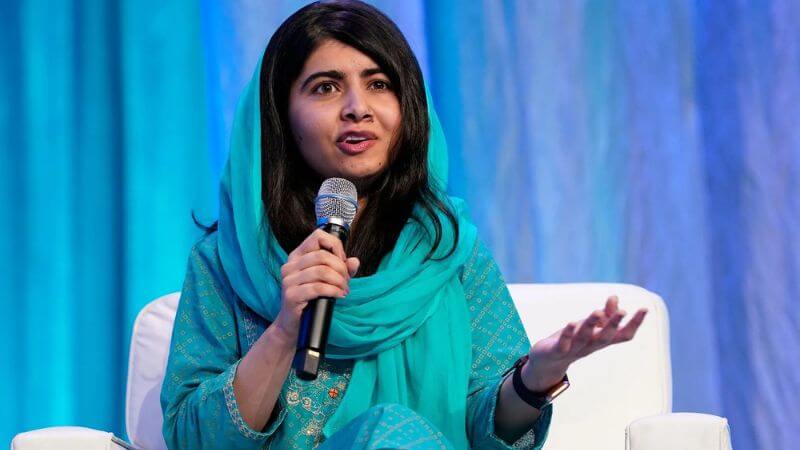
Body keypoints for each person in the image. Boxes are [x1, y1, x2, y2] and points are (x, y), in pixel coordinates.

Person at [160, 1, 648, 449]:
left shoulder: (447, 250)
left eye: (379, 84)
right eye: (326, 87)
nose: (357, 108)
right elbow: (191, 439)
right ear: (280, 115)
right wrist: (285, 329)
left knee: (391, 430)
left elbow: (490, 434)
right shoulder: (228, 262)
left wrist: (535, 378)